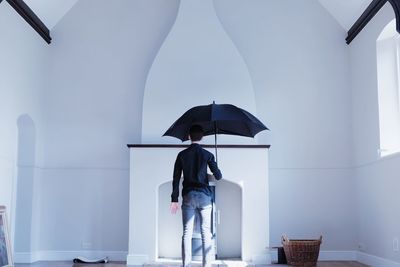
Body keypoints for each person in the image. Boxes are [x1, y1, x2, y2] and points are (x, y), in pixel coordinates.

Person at [170, 124, 222, 267]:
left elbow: (175, 178)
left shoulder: (181, 155)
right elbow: (218, 176)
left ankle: (186, 265)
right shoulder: (208, 154)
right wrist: (215, 164)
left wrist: (174, 200)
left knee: (187, 232)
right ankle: (207, 265)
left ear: (188, 137)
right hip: (205, 197)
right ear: (202, 137)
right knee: (206, 232)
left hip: (188, 196)